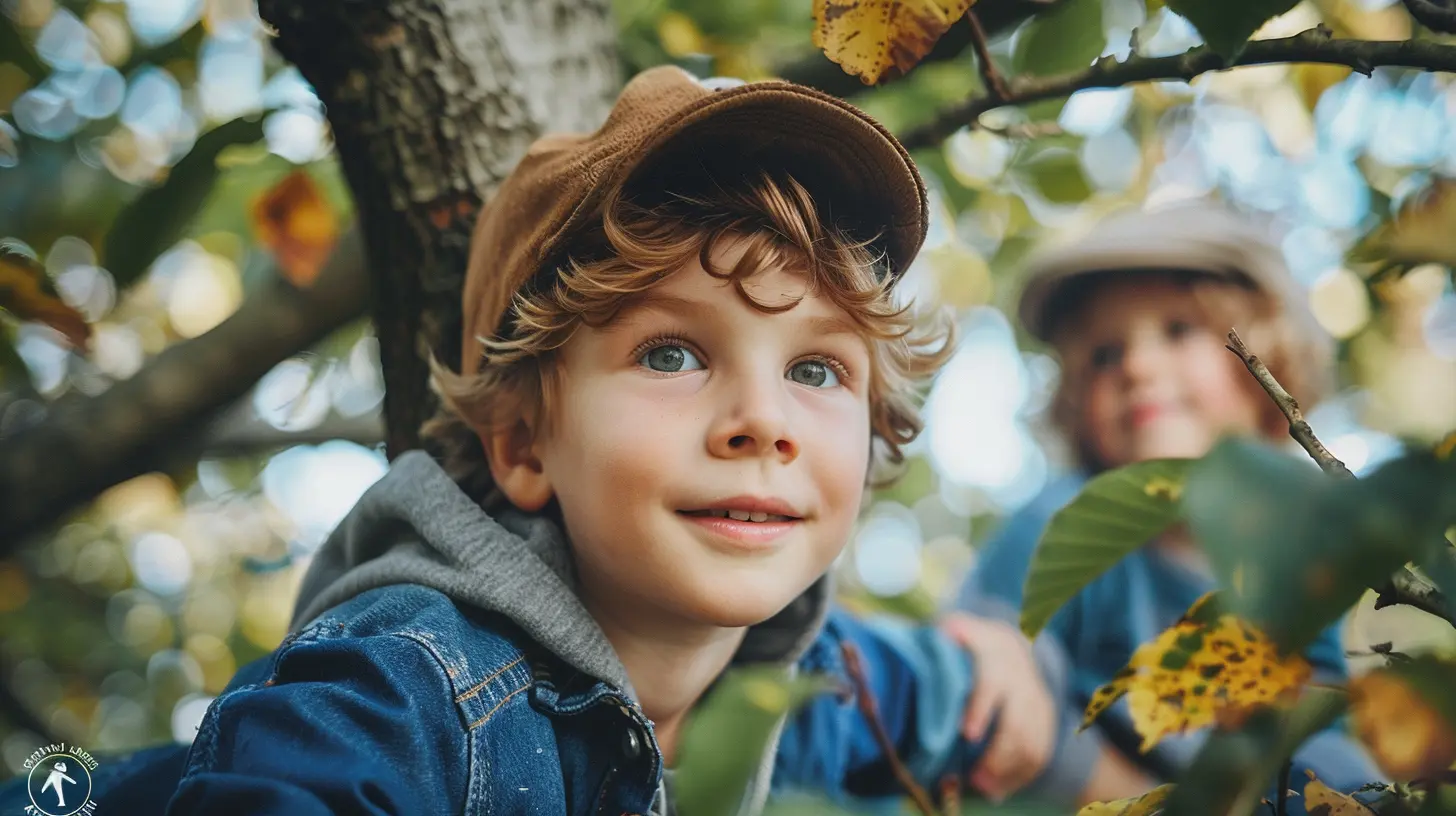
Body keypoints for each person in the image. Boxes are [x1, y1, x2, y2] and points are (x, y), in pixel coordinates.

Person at [29, 66, 1100, 816]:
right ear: (523, 446)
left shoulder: (805, 680)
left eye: (816, 370)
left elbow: (936, 688)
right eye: (673, 355)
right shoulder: (409, 686)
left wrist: (996, 679)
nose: (762, 421)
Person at [952, 202, 1384, 810]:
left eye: (1178, 330)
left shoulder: (1296, 556)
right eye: (1103, 354)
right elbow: (980, 671)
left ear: (1265, 358)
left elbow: (1320, 736)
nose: (1136, 365)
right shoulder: (1063, 525)